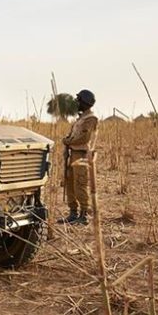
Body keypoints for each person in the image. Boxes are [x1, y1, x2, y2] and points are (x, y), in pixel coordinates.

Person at [58, 89, 98, 226]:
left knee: (80, 184)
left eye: (79, 101)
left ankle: (83, 214)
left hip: (80, 154)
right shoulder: (80, 118)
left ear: (85, 103)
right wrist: (67, 140)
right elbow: (73, 135)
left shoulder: (90, 118)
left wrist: (68, 141)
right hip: (72, 154)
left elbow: (83, 138)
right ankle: (73, 213)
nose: (77, 103)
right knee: (70, 183)